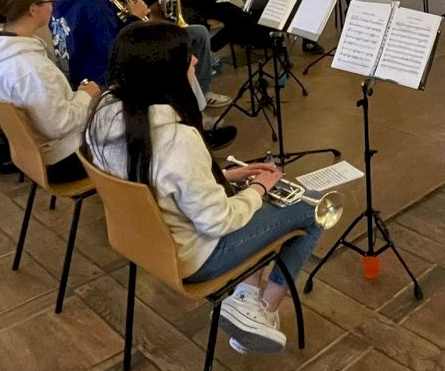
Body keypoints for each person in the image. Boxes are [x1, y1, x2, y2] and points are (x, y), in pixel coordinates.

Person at [82, 22, 322, 354]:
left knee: (242, 193)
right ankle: (261, 310)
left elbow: (158, 180)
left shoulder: (103, 113)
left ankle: (245, 298)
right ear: (164, 72)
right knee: (312, 207)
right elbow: (218, 222)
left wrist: (226, 175)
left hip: (143, 243)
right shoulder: (178, 139)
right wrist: (259, 188)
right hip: (195, 257)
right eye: (188, 56)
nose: (196, 60)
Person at [50, 0, 234, 118]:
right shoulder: (92, 2)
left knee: (186, 42)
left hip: (82, 73)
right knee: (178, 60)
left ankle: (195, 110)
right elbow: (115, 49)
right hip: (105, 77)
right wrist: (134, 18)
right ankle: (192, 117)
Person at [0, 0, 99, 183]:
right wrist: (86, 95)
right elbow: (59, 126)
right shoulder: (29, 68)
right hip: (66, 159)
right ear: (33, 9)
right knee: (141, 137)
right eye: (50, 0)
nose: (53, 5)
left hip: (37, 157)